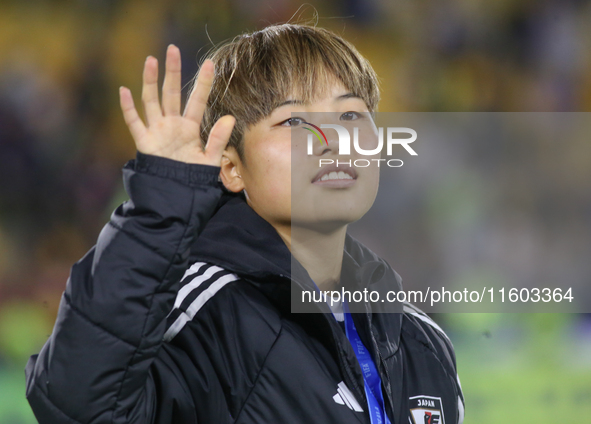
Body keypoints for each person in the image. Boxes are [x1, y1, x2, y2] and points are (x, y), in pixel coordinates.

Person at [25, 23, 464, 424]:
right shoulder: (201, 311)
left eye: (350, 115)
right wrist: (162, 206)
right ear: (231, 168)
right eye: (294, 120)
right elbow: (79, 405)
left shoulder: (423, 341)